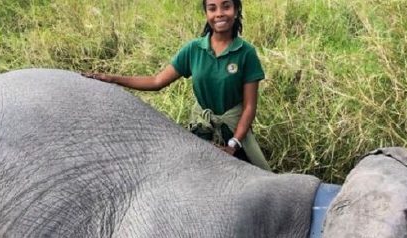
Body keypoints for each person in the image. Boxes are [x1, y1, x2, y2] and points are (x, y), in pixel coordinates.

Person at [85, 0, 271, 170]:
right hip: (202, 127)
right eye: (212, 8)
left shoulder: (246, 53)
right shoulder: (194, 49)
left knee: (261, 178)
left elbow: (249, 107)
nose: (219, 13)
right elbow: (157, 81)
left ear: (236, 10)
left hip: (234, 131)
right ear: (206, 14)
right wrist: (113, 79)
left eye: (226, 6)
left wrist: (233, 144)